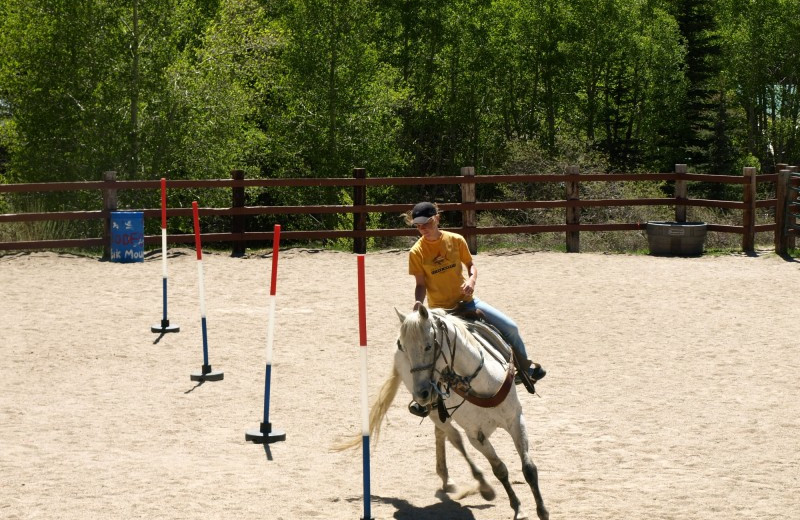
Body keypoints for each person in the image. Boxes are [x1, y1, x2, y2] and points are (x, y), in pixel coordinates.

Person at [404, 201, 546, 417]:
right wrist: (418, 303)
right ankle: (426, 399)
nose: (422, 228)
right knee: (425, 350)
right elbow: (421, 284)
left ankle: (525, 369)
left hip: (467, 303)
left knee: (511, 327)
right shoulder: (416, 252)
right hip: (441, 312)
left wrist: (471, 281)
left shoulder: (456, 240)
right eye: (418, 225)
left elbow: (471, 266)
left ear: (437, 219)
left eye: (426, 223)